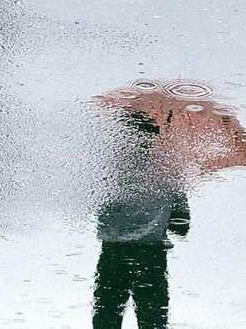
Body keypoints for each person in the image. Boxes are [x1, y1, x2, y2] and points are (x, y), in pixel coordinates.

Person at [93, 111, 189, 329]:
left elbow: (95, 207)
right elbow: (182, 225)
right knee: (153, 321)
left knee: (106, 320)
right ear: (152, 139)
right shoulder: (168, 171)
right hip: (151, 256)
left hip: (113, 253)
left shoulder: (108, 169)